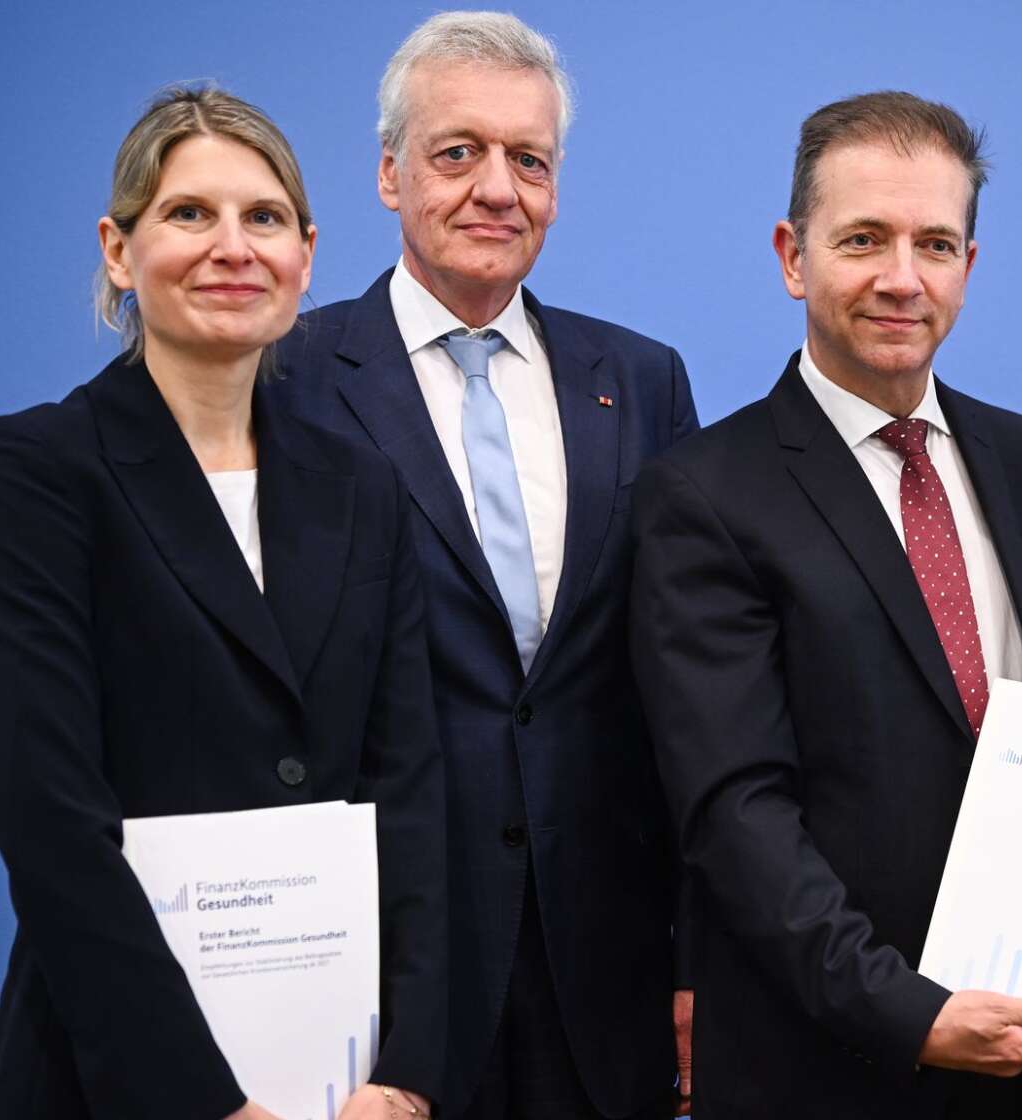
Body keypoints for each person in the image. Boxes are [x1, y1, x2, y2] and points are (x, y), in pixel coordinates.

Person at [629, 91, 1022, 1118]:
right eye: (863, 239)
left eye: (935, 244)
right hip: (824, 1063)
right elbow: (737, 813)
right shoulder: (704, 494)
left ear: (969, 266)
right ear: (793, 256)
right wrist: (914, 1016)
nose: (902, 278)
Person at [0, 86, 445, 1120]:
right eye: (189, 213)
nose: (233, 247)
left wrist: (408, 1071)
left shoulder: (363, 487)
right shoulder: (39, 471)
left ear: (306, 254)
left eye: (263, 217)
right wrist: (202, 1102)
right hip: (116, 1083)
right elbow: (50, 820)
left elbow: (409, 790)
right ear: (118, 249)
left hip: (349, 1085)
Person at [270, 13, 698, 1119]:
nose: (497, 189)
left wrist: (699, 952)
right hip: (373, 970)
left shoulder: (642, 380)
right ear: (389, 174)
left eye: (530, 160)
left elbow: (687, 690)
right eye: (458, 152)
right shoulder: (286, 379)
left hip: (604, 968)